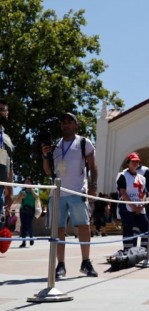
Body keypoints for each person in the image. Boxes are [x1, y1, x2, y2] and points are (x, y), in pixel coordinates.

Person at [42, 112, 99, 278]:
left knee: (83, 226)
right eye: (63, 122)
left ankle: (86, 262)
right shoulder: (55, 145)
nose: (65, 124)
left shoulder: (83, 142)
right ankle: (60, 265)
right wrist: (45, 155)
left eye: (69, 121)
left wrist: (93, 185)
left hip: (77, 190)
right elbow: (48, 171)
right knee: (58, 229)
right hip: (57, 193)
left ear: (76, 125)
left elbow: (93, 166)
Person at [116, 153, 149, 251]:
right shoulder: (122, 176)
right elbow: (122, 192)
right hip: (127, 208)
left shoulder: (142, 178)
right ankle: (128, 251)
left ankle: (144, 250)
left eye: (137, 162)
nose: (135, 163)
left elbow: (144, 193)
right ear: (128, 163)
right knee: (128, 229)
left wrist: (142, 205)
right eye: (133, 161)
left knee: (146, 228)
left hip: (140, 207)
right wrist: (132, 206)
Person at [16, 183, 39, 247]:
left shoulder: (35, 190)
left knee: (29, 225)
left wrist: (31, 190)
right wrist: (21, 196)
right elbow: (17, 201)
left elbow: (37, 197)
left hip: (31, 210)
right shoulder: (22, 191)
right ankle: (23, 242)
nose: (27, 184)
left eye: (28, 182)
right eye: (26, 182)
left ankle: (31, 238)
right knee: (23, 226)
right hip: (23, 210)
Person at [0, 99, 11, 227]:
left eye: (4, 110)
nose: (2, 112)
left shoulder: (7, 137)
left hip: (2, 187)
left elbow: (10, 163)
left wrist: (10, 190)